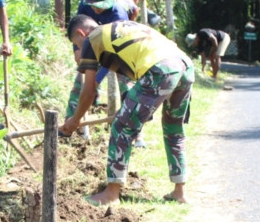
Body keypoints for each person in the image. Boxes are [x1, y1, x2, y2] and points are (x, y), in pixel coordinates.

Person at [59, 15, 194, 206]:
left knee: (121, 128)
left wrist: (74, 120)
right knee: (174, 130)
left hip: (160, 68)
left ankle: (111, 194)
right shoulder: (118, 30)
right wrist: (130, 109)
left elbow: (88, 90)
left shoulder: (91, 39)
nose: (81, 49)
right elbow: (129, 79)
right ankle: (180, 192)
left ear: (81, 33)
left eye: (77, 44)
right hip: (184, 64)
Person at [65, 0, 146, 147]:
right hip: (95, 40)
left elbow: (112, 56)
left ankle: (135, 133)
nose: (95, 9)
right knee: (80, 82)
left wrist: (95, 79)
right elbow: (77, 26)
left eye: (100, 6)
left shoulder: (119, 13)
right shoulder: (85, 4)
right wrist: (77, 51)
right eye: (93, 5)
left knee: (127, 85)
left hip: (120, 48)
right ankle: (69, 125)